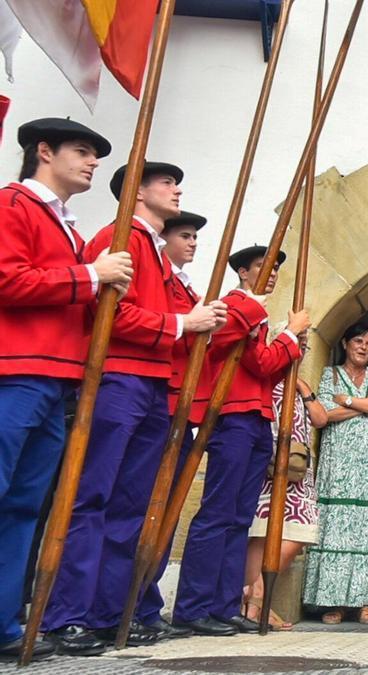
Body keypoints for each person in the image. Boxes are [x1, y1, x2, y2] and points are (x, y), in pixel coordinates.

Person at [43, 161, 228, 654]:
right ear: (137, 192)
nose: (177, 189)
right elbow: (109, 311)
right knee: (91, 497)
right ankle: (67, 613)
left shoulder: (155, 251)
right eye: (166, 183)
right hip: (118, 378)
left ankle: (107, 610)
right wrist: (181, 324)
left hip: (151, 383)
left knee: (129, 505)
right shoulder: (117, 234)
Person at [0, 118, 128, 662]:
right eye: (82, 151)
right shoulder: (13, 206)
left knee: (26, 506)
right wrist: (90, 277)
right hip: (16, 370)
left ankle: (5, 620)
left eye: (95, 154)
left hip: (56, 378)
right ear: (43, 152)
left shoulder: (71, 230)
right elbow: (8, 280)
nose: (93, 162)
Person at [172, 245, 307, 635]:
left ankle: (224, 604)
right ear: (244, 273)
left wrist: (284, 342)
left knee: (238, 518)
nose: (272, 274)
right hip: (232, 415)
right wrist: (291, 336)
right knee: (217, 514)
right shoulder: (234, 306)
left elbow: (268, 369)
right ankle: (193, 607)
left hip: (257, 418)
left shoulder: (255, 316)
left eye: (276, 269)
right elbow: (260, 362)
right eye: (263, 267)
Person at [136, 209, 209, 641]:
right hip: (159, 401)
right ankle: (122, 604)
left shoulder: (184, 285)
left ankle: (145, 605)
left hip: (180, 406)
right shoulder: (161, 279)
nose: (193, 242)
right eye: (184, 235)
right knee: (141, 507)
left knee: (164, 510)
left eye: (195, 237)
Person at [303, 323, 368, 623]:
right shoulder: (330, 375)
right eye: (358, 340)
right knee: (338, 529)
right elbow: (325, 414)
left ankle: (364, 602)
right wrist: (366, 405)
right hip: (339, 463)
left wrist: (349, 401)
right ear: (345, 343)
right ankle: (335, 603)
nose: (364, 347)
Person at [242, 373, 328, 631]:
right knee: (261, 533)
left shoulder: (299, 382)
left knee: (301, 530)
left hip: (298, 468)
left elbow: (321, 419)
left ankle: (253, 597)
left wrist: (305, 389)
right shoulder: (268, 379)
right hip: (269, 463)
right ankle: (255, 605)